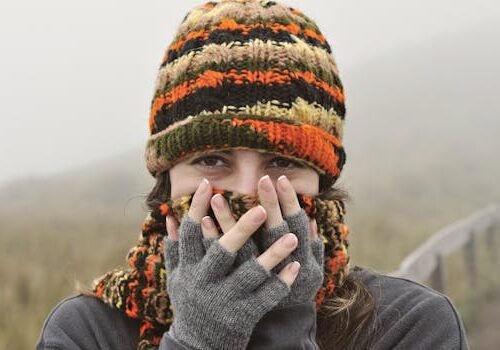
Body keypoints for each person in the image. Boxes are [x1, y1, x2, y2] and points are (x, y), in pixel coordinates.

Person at [36, 0, 470, 349]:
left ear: (322, 181)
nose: (248, 192)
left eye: (282, 162)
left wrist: (283, 328)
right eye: (212, 161)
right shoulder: (86, 333)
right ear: (167, 179)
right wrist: (194, 342)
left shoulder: (408, 327)